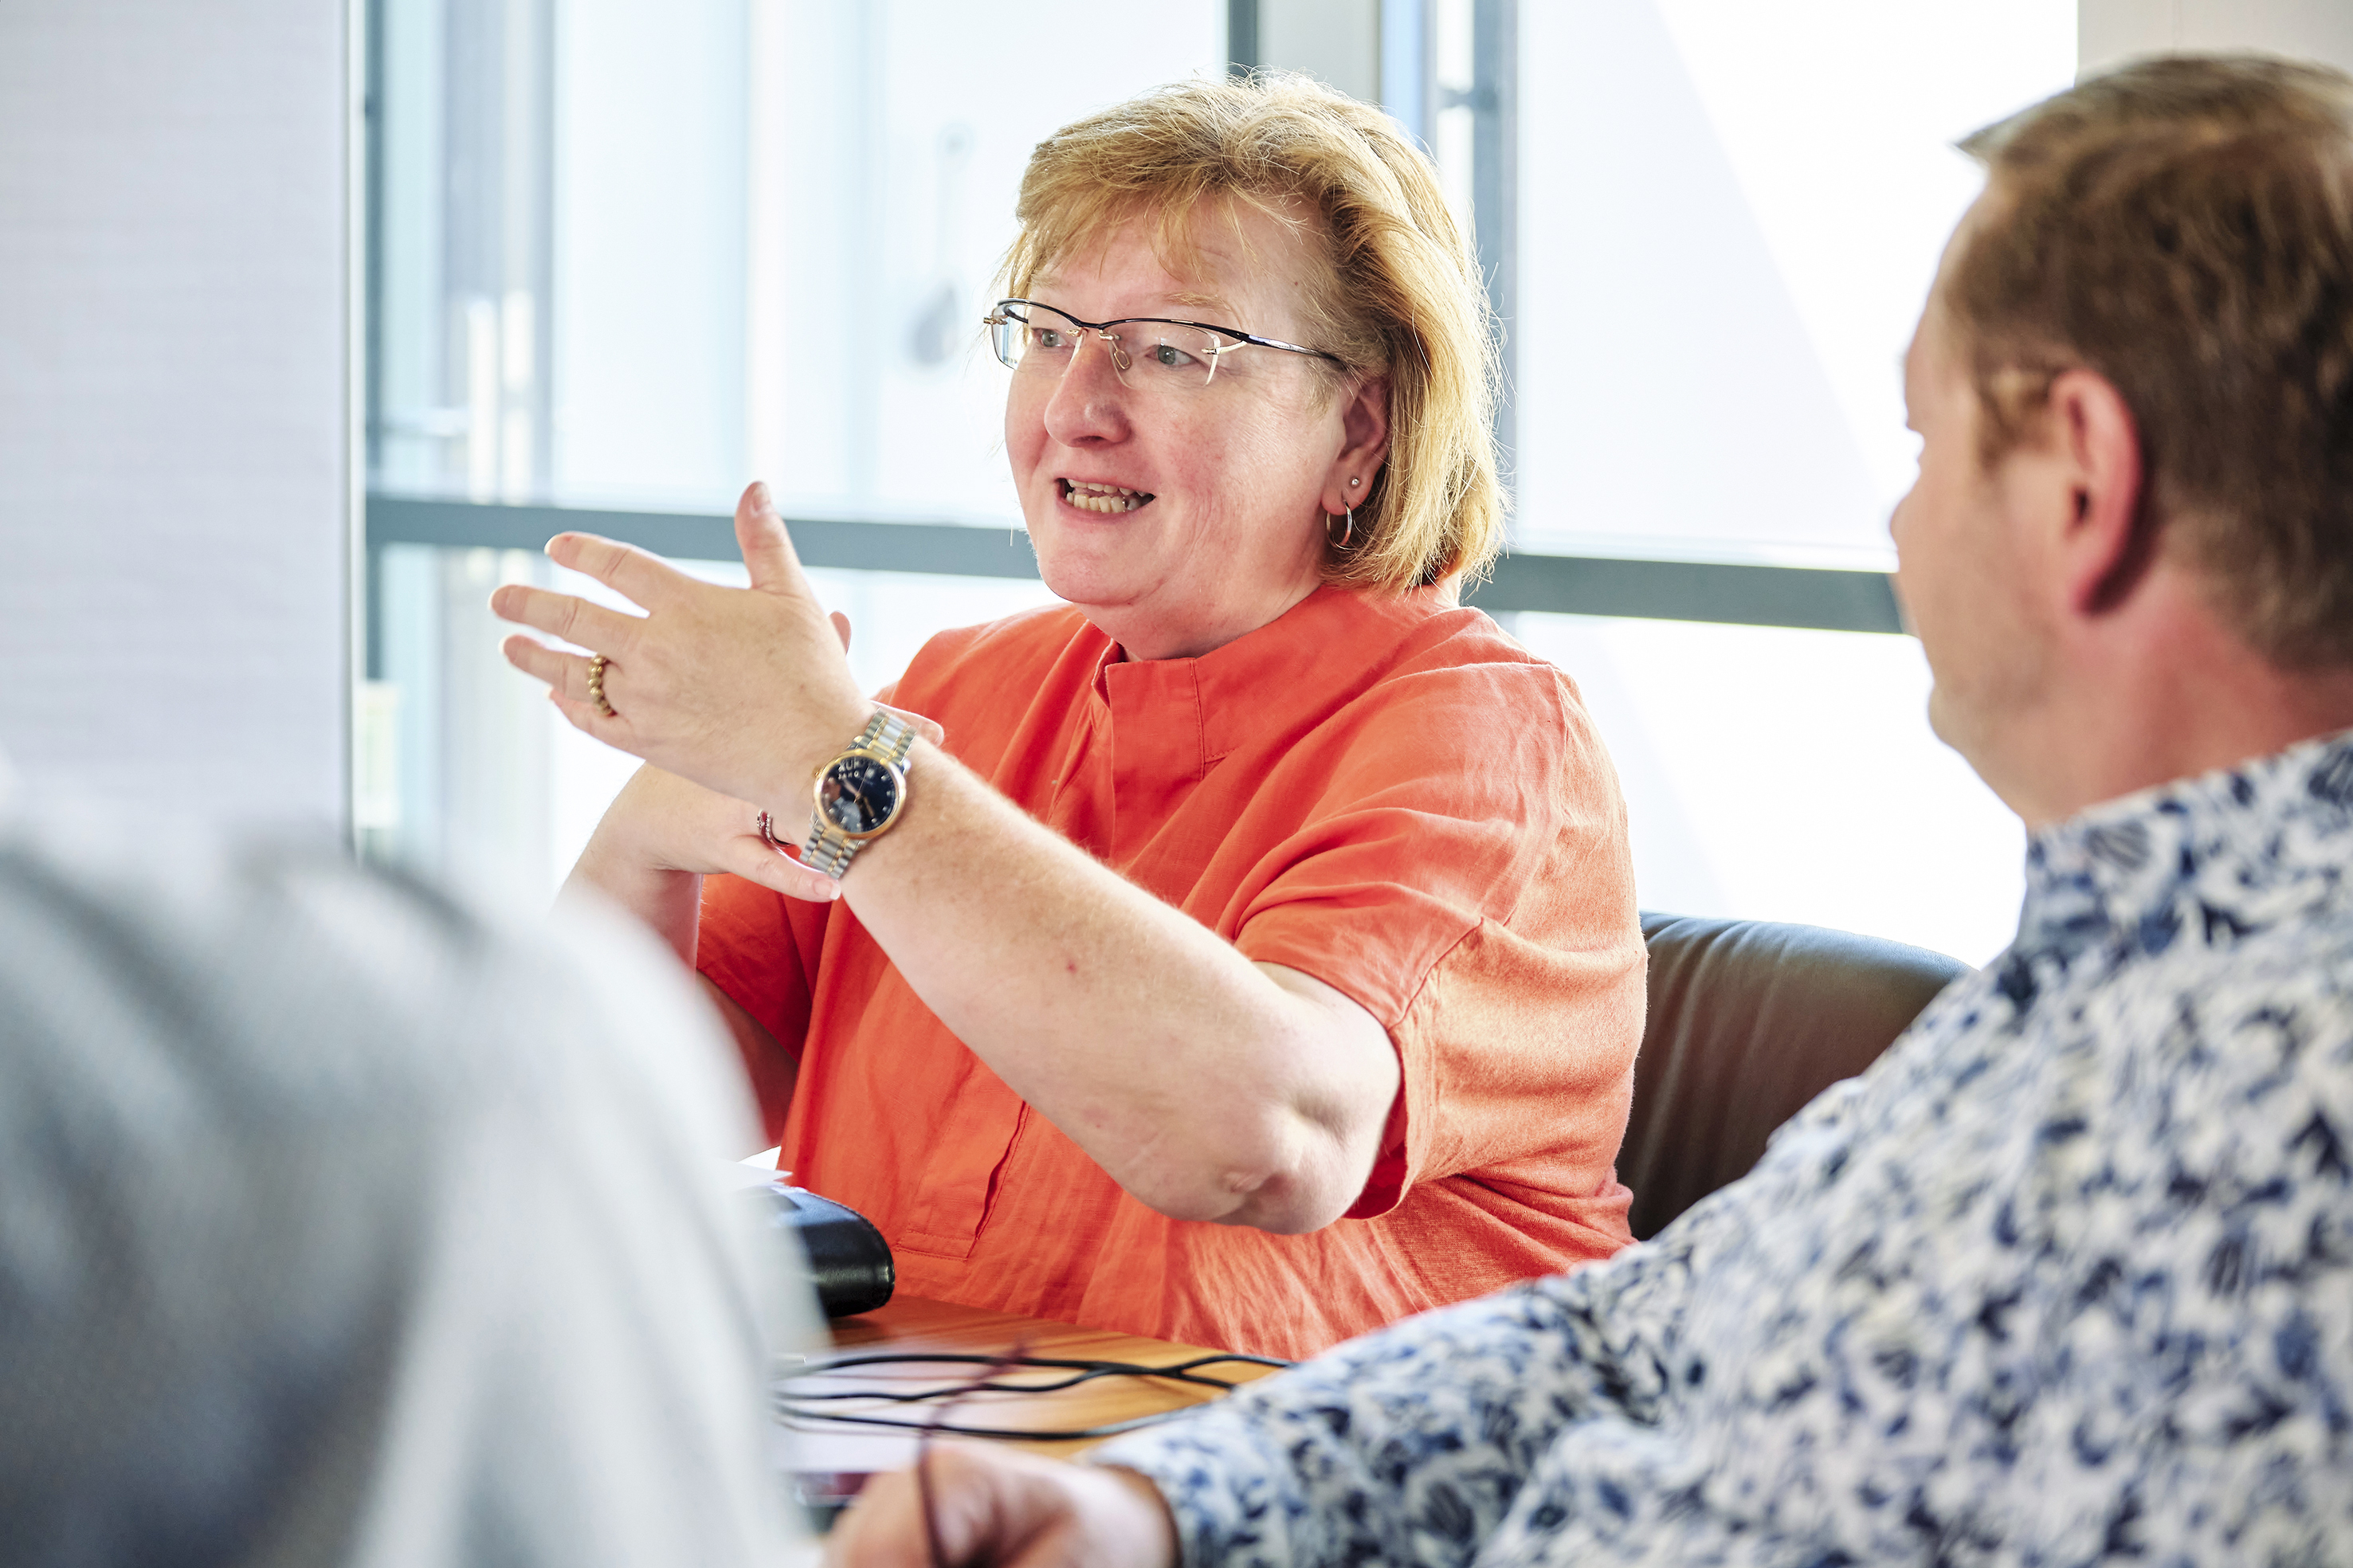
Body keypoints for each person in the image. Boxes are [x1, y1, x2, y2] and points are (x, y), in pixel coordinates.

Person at [821, 52, 2353, 1567]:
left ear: (2079, 485)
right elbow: (1631, 1347)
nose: (1897, 516)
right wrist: (1169, 1504)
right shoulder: (2102, 983)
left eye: (1923, 443)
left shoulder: (2274, 1096)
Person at [490, 75, 1645, 1360]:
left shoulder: (1479, 736)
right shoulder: (952, 693)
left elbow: (1264, 1137)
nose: (1074, 406)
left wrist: (835, 761)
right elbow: (582, 1120)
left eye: (1169, 351)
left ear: (1356, 432)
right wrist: (646, 829)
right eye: (1046, 332)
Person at [0, 817, 814, 1566]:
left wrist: (851, 770)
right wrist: (643, 842)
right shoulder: (491, 1062)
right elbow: (709, 1062)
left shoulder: (472, 1067)